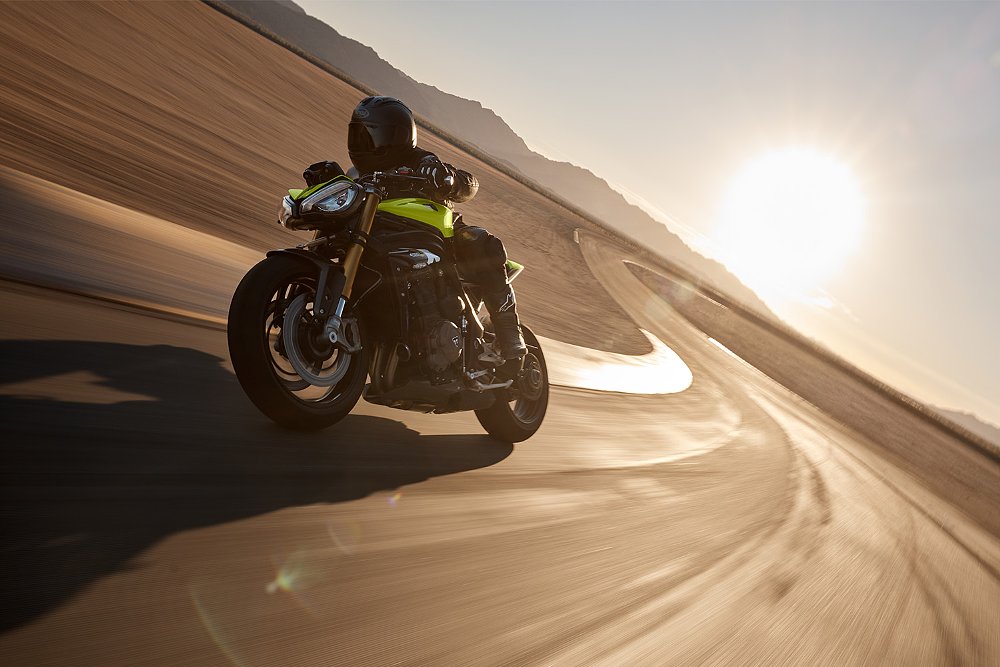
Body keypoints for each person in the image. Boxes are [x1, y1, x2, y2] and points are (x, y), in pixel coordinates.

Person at [342, 95, 527, 361]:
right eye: (358, 135)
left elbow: (469, 183)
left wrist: (447, 178)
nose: (363, 144)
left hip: (436, 234)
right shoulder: (355, 175)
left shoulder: (422, 161)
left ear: (398, 137)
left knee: (482, 242)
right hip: (377, 237)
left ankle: (509, 330)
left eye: (371, 136)